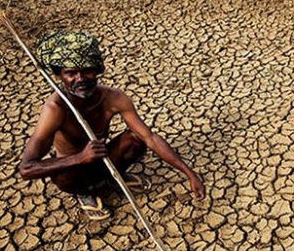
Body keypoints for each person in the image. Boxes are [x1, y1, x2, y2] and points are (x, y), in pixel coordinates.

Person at [19, 31, 205, 220]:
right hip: (76, 171)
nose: (80, 78)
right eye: (70, 73)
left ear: (98, 69)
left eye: (87, 70)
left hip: (103, 159)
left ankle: (113, 176)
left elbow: (150, 138)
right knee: (62, 175)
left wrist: (189, 173)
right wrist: (80, 158)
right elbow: (27, 168)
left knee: (135, 139)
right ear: (59, 75)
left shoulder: (113, 98)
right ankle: (84, 193)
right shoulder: (55, 109)